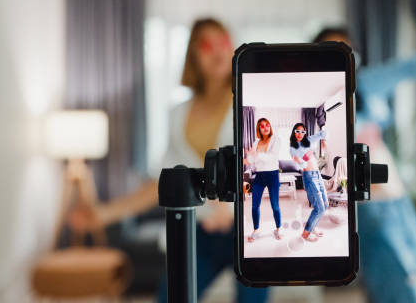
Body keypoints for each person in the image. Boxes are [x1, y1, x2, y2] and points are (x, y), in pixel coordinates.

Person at [70, 18, 268, 303]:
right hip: (199, 232)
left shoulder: (255, 102)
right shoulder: (178, 114)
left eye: (223, 42)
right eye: (206, 44)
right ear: (193, 55)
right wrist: (103, 214)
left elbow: (269, 167)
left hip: (251, 231)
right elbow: (163, 182)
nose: (217, 51)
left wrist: (234, 206)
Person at [314, 27, 416, 302]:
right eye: (330, 52)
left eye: (346, 51)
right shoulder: (312, 103)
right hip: (364, 209)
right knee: (396, 281)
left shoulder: (366, 85)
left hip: (395, 201)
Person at [289, 123, 328, 242]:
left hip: (318, 175)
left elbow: (323, 133)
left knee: (325, 204)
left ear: (305, 133)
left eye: (302, 131)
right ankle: (305, 234)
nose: (300, 134)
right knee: (320, 208)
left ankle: (313, 226)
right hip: (309, 176)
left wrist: (324, 141)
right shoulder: (293, 147)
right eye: (297, 131)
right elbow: (300, 164)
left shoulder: (309, 140)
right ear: (294, 132)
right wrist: (301, 160)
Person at [245, 118, 282, 242]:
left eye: (267, 125)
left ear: (270, 126)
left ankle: (278, 228)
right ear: (259, 129)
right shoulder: (256, 143)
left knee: (275, 206)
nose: (265, 127)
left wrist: (256, 155)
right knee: (255, 206)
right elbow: (252, 160)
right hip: (259, 176)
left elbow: (272, 157)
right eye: (262, 126)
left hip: (273, 175)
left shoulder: (276, 139)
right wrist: (245, 159)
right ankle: (256, 230)